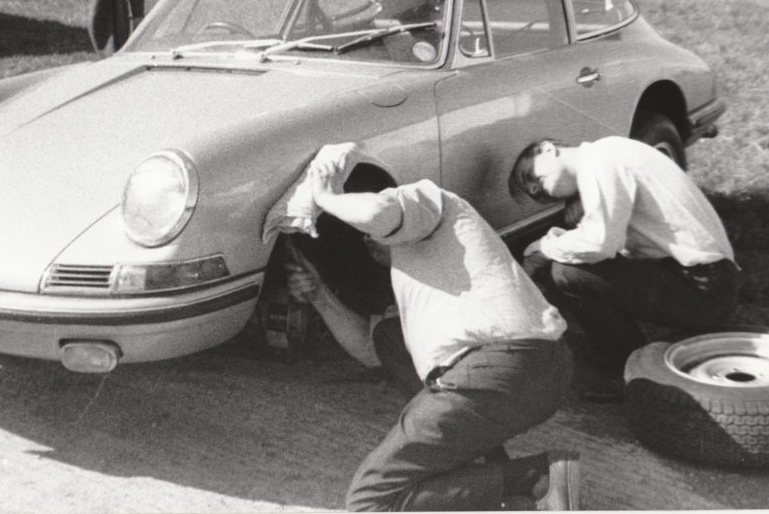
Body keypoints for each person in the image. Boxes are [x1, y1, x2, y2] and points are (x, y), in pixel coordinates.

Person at [287, 143, 579, 512]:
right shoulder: (430, 285)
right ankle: (511, 487)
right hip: (532, 372)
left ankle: (537, 480)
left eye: (366, 236)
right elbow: (369, 347)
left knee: (371, 501)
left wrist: (325, 196)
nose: (366, 242)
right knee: (393, 340)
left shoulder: (431, 201)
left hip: (500, 365)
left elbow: (378, 212)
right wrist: (317, 295)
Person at [508, 137, 741, 400]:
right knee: (571, 265)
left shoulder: (601, 159)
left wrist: (543, 246)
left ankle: (627, 371)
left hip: (703, 288)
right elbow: (608, 245)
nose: (535, 189)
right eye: (533, 193)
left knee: (566, 272)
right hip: (701, 281)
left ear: (547, 149)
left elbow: (599, 244)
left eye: (532, 176)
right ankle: (624, 358)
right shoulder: (609, 154)